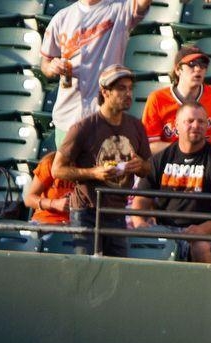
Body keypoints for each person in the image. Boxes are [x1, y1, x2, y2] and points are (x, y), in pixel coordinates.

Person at [52, 65, 150, 257]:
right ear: (105, 92)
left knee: (117, 272)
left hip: (117, 210)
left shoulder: (136, 126)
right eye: (121, 88)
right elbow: (57, 170)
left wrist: (140, 165)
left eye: (130, 88)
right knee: (86, 271)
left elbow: (147, 169)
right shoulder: (84, 127)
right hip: (87, 211)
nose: (128, 93)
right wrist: (92, 173)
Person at [129, 103, 211, 263]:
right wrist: (140, 223)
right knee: (134, 240)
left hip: (206, 232)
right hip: (164, 231)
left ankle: (207, 288)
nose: (196, 126)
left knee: (200, 245)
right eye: (189, 121)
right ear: (176, 125)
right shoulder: (160, 159)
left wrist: (201, 230)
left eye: (201, 122)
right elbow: (140, 200)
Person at [38, 0, 156, 138]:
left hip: (105, 117)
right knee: (65, 160)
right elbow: (45, 63)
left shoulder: (120, 8)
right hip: (68, 115)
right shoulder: (62, 17)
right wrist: (52, 67)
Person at [142, 44, 211, 154]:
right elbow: (150, 145)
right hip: (171, 166)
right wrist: (187, 149)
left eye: (203, 65)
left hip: (207, 164)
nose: (198, 69)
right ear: (178, 70)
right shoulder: (157, 99)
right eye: (192, 64)